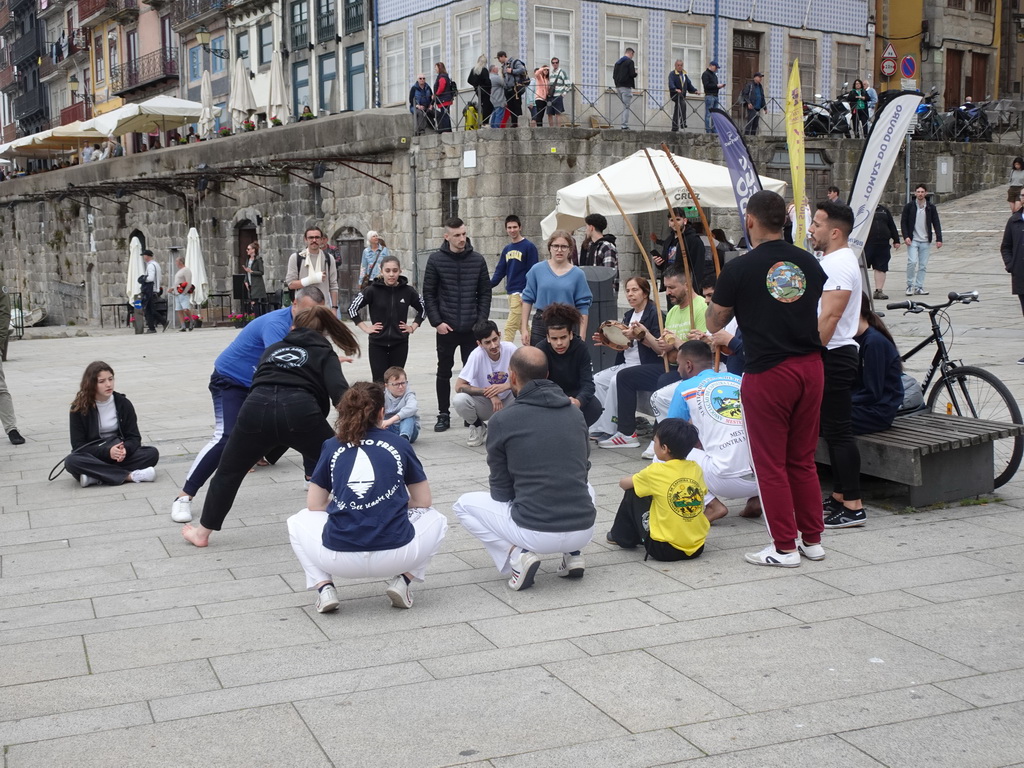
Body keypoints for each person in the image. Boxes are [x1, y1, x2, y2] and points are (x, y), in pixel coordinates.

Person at [707, 189, 827, 567]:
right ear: (785, 222)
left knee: (770, 463)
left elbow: (714, 320)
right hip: (810, 365)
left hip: (768, 370)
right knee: (803, 459)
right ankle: (812, 539)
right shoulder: (807, 262)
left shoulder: (740, 268)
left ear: (751, 221)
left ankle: (784, 546)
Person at [181, 307, 359, 548]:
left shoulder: (273, 349)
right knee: (345, 463)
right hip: (300, 412)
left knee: (228, 473)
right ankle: (361, 518)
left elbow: (260, 382)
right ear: (323, 334)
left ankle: (202, 533)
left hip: (255, 409)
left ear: (292, 328)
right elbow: (340, 394)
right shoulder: (324, 353)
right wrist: (360, 426)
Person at [286, 382, 448, 612]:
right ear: (382, 412)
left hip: (338, 557)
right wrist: (391, 502)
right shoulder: (400, 444)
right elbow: (423, 501)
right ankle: (403, 581)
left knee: (297, 520)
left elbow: (314, 504)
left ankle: (324, 588)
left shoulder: (331, 446)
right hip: (397, 554)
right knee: (438, 519)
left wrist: (347, 504)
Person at [169, 286, 326, 523]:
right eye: (305, 312)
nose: (310, 319)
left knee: (305, 417)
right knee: (226, 436)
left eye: (316, 314)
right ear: (293, 305)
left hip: (260, 385)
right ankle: (184, 497)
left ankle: (312, 476)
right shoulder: (276, 326)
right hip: (231, 380)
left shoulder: (306, 327)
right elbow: (284, 363)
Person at [453, 347, 596, 591]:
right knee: (584, 485)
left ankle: (518, 556)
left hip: (534, 530)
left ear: (512, 377)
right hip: (583, 527)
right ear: (547, 374)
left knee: (463, 505)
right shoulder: (574, 412)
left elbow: (500, 490)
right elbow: (582, 469)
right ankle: (573, 554)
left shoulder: (502, 420)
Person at [598, 268, 708, 448]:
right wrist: (646, 335)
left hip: (693, 371)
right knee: (625, 377)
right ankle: (626, 434)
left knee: (663, 379)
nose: (668, 292)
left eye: (672, 287)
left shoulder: (701, 307)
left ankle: (659, 438)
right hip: (673, 364)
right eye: (666, 287)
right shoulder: (672, 312)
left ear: (687, 285)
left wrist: (676, 344)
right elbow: (661, 349)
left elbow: (701, 351)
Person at [811, 200, 866, 529]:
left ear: (834, 232)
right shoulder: (832, 260)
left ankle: (855, 505)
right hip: (833, 352)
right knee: (833, 431)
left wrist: (811, 352)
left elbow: (830, 316)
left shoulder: (839, 264)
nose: (811, 229)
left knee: (839, 432)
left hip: (834, 353)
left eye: (817, 224)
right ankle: (841, 496)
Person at [422, 217, 492, 432]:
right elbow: (429, 294)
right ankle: (443, 413)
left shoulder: (478, 260)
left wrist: (480, 322)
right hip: (447, 327)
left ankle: (469, 411)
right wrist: (437, 322)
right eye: (457, 235)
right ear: (447, 237)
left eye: (464, 234)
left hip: (472, 328)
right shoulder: (435, 260)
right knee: (443, 371)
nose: (462, 239)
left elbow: (485, 293)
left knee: (472, 372)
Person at [607, 419, 709, 559]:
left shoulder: (655, 471)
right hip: (697, 547)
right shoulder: (695, 468)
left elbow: (623, 484)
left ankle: (622, 537)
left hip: (663, 550)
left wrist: (637, 478)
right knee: (652, 491)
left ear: (664, 448)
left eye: (655, 441)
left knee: (633, 490)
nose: (654, 445)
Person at [589, 275, 662, 440]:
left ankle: (611, 428)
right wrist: (609, 340)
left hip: (645, 365)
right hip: (628, 363)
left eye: (635, 290)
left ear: (645, 293)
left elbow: (659, 347)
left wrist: (640, 336)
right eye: (627, 291)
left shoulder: (654, 314)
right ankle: (599, 425)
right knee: (598, 379)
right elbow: (626, 344)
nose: (630, 294)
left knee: (617, 380)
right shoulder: (629, 315)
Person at [65, 361, 159, 487]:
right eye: (101, 381)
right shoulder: (79, 408)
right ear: (91, 384)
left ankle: (95, 476)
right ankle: (129, 476)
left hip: (119, 455)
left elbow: (134, 438)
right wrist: (107, 452)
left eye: (110, 379)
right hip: (95, 455)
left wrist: (124, 449)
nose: (108, 384)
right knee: (72, 461)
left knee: (151, 454)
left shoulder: (123, 403)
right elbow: (78, 446)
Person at [348, 254, 424, 382]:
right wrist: (365, 328)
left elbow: (424, 308)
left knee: (396, 380)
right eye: (387, 271)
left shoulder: (408, 291)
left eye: (395, 271)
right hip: (377, 344)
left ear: (400, 271)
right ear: (381, 270)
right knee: (379, 382)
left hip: (399, 343)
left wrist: (413, 326)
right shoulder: (371, 290)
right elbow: (352, 309)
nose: (391, 274)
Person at [520, 230, 592, 345]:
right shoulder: (536, 270)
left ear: (570, 249)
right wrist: (524, 328)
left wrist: (582, 335)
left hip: (567, 324)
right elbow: (527, 299)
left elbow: (583, 306)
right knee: (539, 360)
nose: (559, 250)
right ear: (550, 248)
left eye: (564, 246)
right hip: (541, 323)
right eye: (556, 246)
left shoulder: (578, 274)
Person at [453, 320, 516, 447]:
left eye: (495, 339)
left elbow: (526, 379)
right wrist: (489, 393)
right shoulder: (476, 355)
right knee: (459, 400)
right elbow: (459, 386)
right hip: (487, 404)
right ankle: (477, 426)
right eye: (487, 342)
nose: (493, 346)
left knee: (529, 390)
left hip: (510, 399)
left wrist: (506, 386)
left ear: (499, 335)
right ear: (479, 344)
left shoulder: (511, 349)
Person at [535, 303, 600, 426]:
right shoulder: (540, 350)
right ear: (548, 337)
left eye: (563, 337)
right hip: (549, 396)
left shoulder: (580, 348)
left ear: (570, 334)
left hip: (574, 395)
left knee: (595, 408)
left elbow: (588, 383)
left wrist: (578, 401)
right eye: (554, 339)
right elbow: (535, 385)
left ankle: (576, 431)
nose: (559, 343)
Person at [851, 294, 903, 434]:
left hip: (877, 412)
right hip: (864, 406)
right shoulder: (855, 338)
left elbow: (872, 392)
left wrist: (840, 401)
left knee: (823, 420)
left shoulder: (873, 342)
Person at [490, 214, 539, 342]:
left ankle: (505, 357)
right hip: (511, 293)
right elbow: (500, 271)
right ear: (506, 229)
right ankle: (535, 353)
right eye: (509, 227)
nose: (512, 230)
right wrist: (486, 285)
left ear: (520, 227)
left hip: (521, 293)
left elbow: (533, 272)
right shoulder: (507, 249)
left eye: (515, 227)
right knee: (523, 327)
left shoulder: (529, 247)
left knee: (509, 327)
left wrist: (526, 293)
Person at [900, 184, 943, 296]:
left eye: (922, 192)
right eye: (918, 192)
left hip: (925, 240)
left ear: (926, 193)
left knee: (923, 265)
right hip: (913, 239)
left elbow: (936, 222)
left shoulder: (930, 207)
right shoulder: (909, 207)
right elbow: (903, 222)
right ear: (915, 193)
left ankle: (919, 286)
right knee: (912, 262)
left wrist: (939, 238)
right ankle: (910, 285)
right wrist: (906, 236)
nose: (920, 194)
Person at [285, 226, 339, 309]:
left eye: (317, 237)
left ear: (322, 240)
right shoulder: (295, 258)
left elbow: (333, 286)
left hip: (323, 308)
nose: (314, 240)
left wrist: (334, 308)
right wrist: (312, 279)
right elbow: (291, 285)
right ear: (305, 239)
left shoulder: (329, 259)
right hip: (302, 308)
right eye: (311, 237)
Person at [655, 207, 704, 292]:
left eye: (678, 219)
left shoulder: (693, 240)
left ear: (684, 221)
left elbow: (698, 267)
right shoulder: (669, 240)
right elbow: (666, 264)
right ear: (669, 223)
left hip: (685, 286)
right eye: (672, 220)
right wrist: (659, 263)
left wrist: (694, 289)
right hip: (670, 286)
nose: (675, 223)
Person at [1000, 191, 1024, 363]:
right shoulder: (1014, 221)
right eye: (1022, 195)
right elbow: (1006, 246)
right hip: (1021, 274)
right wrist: (1011, 265)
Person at [864, 204, 900, 300]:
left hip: (883, 243)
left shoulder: (884, 210)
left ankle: (878, 291)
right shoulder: (863, 208)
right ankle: (859, 291)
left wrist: (896, 240)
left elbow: (891, 224)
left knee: (881, 267)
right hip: (867, 243)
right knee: (861, 267)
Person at [578, 213, 619, 293]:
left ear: (591, 228)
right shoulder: (589, 246)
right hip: (589, 291)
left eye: (586, 227)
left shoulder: (607, 247)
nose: (585, 230)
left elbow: (608, 274)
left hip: (605, 293)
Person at [383, 366, 420, 443]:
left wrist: (391, 420)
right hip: (389, 427)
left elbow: (412, 408)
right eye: (396, 384)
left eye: (403, 383)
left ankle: (404, 439)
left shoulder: (409, 394)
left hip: (409, 429)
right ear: (387, 386)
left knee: (409, 416)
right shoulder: (382, 395)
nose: (400, 387)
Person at [497, 51, 527, 127]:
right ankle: (514, 123)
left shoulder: (515, 62)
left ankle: (520, 123)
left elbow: (522, 69)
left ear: (503, 56)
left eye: (499, 58)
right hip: (507, 89)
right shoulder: (503, 66)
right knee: (510, 107)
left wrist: (512, 71)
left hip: (515, 88)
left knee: (517, 105)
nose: (499, 60)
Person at [668, 60, 698, 132]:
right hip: (675, 94)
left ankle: (675, 127)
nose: (679, 66)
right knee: (683, 104)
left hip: (682, 95)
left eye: (681, 65)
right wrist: (675, 89)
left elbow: (689, 85)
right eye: (678, 65)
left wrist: (695, 91)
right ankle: (683, 123)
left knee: (677, 109)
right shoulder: (672, 74)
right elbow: (671, 83)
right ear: (675, 66)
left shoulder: (684, 75)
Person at [140, 249, 165, 333]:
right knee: (150, 309)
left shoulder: (150, 266)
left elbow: (150, 278)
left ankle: (155, 327)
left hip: (151, 290)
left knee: (149, 310)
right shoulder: (156, 265)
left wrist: (143, 279)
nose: (143, 257)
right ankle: (154, 327)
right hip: (155, 289)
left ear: (147, 256)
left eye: (144, 255)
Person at [612, 47, 637, 130]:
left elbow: (614, 76)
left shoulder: (617, 63)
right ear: (631, 53)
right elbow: (632, 74)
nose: (632, 57)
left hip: (618, 86)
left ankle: (624, 124)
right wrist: (636, 73)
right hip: (626, 87)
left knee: (624, 105)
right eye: (633, 55)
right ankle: (624, 125)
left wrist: (617, 85)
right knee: (626, 107)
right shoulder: (630, 62)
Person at [241, 241, 266, 318]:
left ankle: (258, 318)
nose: (247, 250)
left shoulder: (258, 259)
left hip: (257, 285)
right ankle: (256, 318)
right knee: (252, 302)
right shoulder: (248, 260)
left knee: (255, 302)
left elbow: (261, 272)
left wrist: (251, 271)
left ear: (253, 250)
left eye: (248, 249)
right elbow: (247, 272)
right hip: (250, 284)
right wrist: (246, 281)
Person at [467, 55, 493, 125]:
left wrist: (475, 86)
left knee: (483, 106)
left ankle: (482, 121)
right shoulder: (484, 70)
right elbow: (487, 81)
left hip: (478, 91)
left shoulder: (474, 70)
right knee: (488, 106)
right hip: (485, 91)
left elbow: (469, 80)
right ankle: (485, 122)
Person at [701, 60, 726, 133]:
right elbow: (707, 85)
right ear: (711, 66)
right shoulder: (705, 74)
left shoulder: (714, 75)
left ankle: (714, 129)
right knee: (708, 114)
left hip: (715, 95)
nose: (716, 69)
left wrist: (719, 86)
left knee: (715, 114)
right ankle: (708, 130)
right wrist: (716, 86)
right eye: (715, 67)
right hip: (709, 95)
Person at [171, 255, 194, 331]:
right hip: (177, 293)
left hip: (182, 293)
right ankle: (183, 326)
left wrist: (184, 292)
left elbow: (188, 282)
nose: (176, 263)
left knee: (185, 309)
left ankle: (191, 320)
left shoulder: (186, 270)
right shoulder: (179, 271)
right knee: (179, 310)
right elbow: (177, 282)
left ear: (180, 262)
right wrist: (172, 289)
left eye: (177, 261)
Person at [432, 62, 455, 133]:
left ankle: (446, 130)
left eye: (436, 67)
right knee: (445, 114)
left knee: (444, 115)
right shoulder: (444, 76)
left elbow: (441, 87)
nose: (435, 69)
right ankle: (447, 129)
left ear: (439, 68)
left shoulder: (442, 77)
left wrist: (436, 94)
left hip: (444, 99)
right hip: (445, 98)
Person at [547, 57, 570, 126]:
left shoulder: (562, 72)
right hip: (551, 95)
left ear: (558, 63)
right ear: (551, 64)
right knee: (549, 113)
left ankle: (558, 129)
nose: (555, 64)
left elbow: (568, 84)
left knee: (558, 113)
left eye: (556, 62)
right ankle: (551, 129)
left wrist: (563, 94)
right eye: (553, 63)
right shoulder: (551, 74)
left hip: (558, 95)